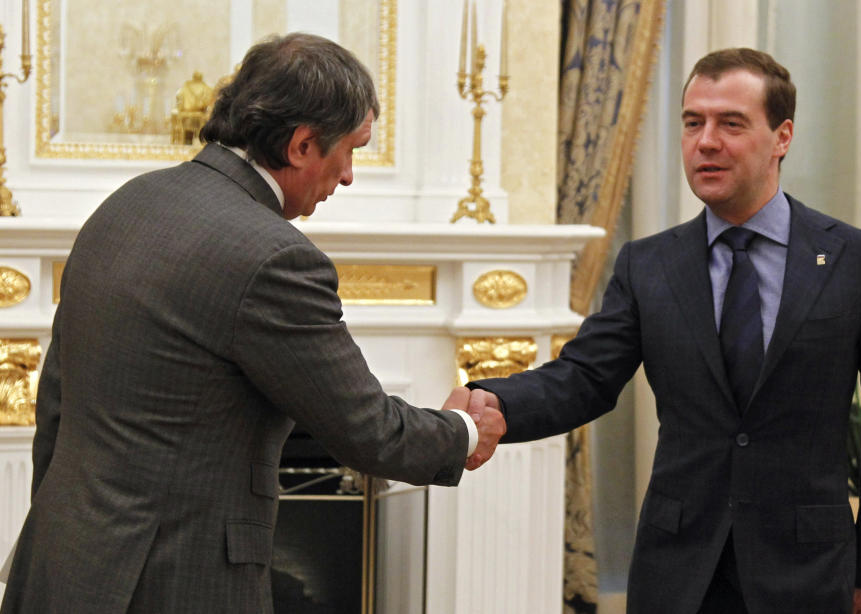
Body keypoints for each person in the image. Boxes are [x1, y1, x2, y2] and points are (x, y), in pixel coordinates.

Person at [0, 33, 504, 614]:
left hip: (64, 561)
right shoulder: (274, 258)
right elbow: (366, 428)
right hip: (177, 582)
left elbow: (57, 403)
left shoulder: (124, 205)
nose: (348, 177)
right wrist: (463, 432)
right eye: (352, 149)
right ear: (302, 145)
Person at [466, 48, 861, 614]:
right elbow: (585, 378)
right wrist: (495, 399)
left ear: (781, 137)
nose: (705, 142)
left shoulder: (858, 259)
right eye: (692, 123)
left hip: (807, 570)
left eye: (730, 123)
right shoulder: (648, 264)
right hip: (679, 569)